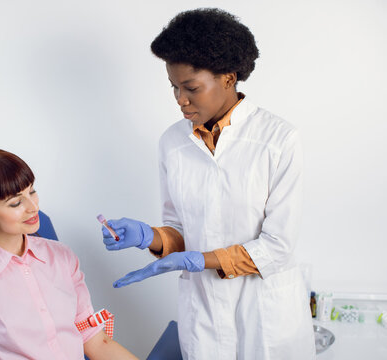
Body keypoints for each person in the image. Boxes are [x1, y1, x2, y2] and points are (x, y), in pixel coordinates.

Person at [101, 8, 316, 360]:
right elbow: (180, 230)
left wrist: (199, 260)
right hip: (204, 316)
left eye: (191, 88)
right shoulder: (172, 143)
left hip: (265, 314)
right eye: (173, 87)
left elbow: (277, 246)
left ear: (228, 78)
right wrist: (150, 237)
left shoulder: (278, 140)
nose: (180, 100)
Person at [0, 148, 137, 360]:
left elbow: (94, 340)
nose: (33, 207)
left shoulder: (62, 257)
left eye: (32, 191)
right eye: (16, 202)